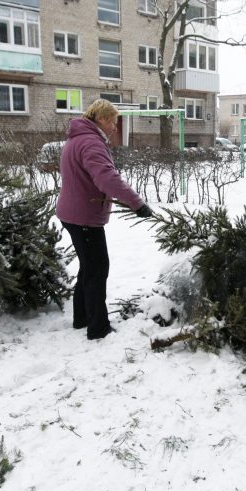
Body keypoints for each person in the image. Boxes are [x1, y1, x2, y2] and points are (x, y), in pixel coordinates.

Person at [56, 99, 153, 340]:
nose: (114, 126)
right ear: (101, 119)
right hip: (84, 216)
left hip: (74, 212)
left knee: (89, 268)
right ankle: (98, 327)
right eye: (113, 121)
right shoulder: (90, 142)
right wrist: (137, 204)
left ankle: (82, 317)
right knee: (97, 269)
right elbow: (107, 178)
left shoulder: (77, 138)